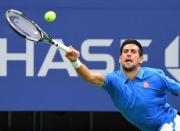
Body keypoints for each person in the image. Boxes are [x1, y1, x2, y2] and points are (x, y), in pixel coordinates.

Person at [65, 39, 180, 131]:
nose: (129, 54)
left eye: (133, 52)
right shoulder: (113, 80)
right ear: (120, 59)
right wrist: (75, 61)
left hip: (170, 123)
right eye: (125, 52)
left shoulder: (155, 76)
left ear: (140, 59)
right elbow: (90, 76)